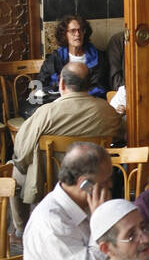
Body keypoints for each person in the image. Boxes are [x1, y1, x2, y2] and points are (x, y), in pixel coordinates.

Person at [12, 62, 119, 206]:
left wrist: (23, 166)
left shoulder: (46, 113)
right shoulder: (108, 112)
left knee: (14, 168)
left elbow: (22, 151)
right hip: (90, 187)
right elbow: (123, 137)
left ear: (62, 84)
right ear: (90, 84)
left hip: (49, 186)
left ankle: (21, 228)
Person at [38, 14, 109, 98]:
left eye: (81, 30)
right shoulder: (55, 59)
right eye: (73, 31)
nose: (77, 34)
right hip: (61, 101)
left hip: (89, 100)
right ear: (64, 34)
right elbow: (41, 83)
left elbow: (101, 86)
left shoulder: (98, 57)